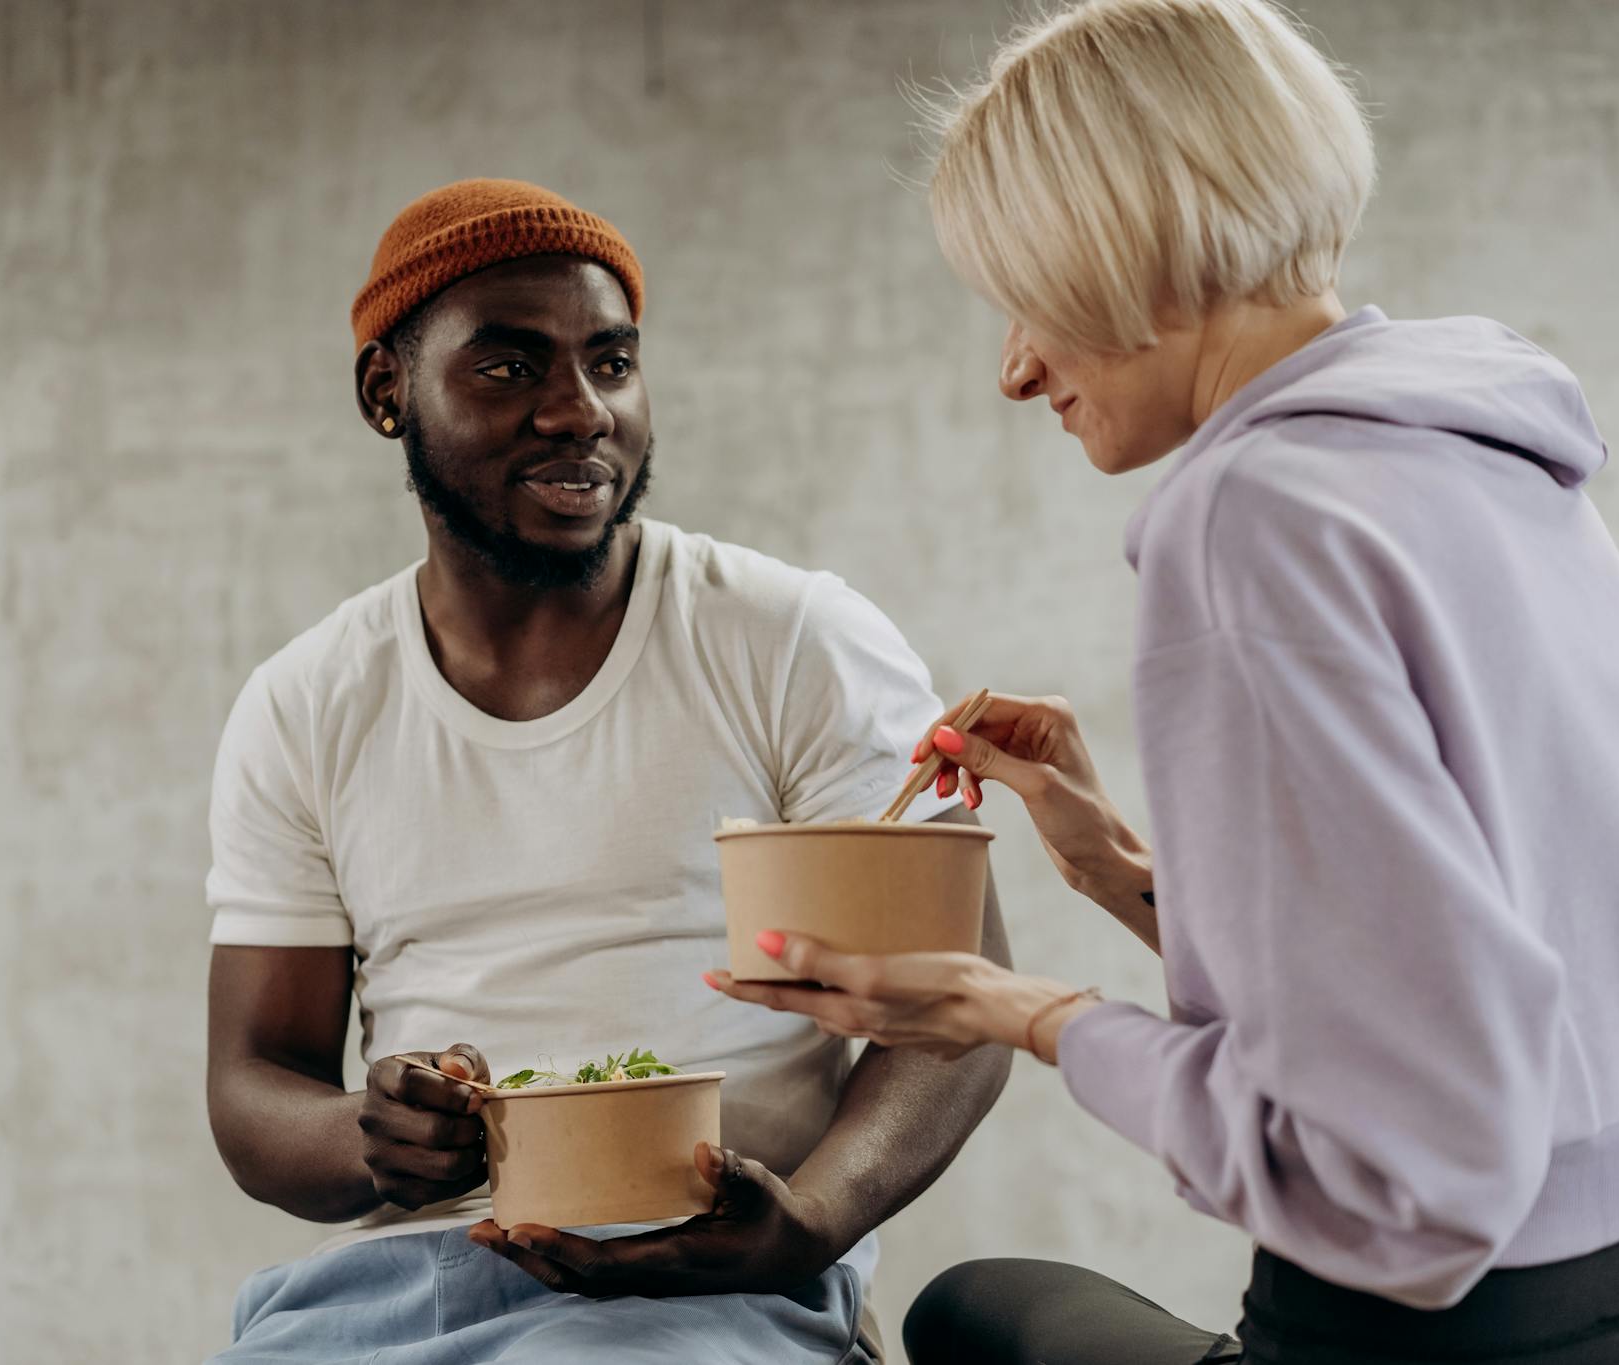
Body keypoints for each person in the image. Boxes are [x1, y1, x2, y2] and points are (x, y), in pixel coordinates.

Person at [709, 3, 1619, 1362]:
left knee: (971, 1313)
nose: (1015, 366)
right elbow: (1453, 975)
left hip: (1465, 1332)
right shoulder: (1478, 439)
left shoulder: (1249, 517)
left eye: (1028, 300)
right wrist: (1113, 868)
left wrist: (1021, 1011)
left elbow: (1398, 1182)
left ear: (1133, 254)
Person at [201, 178, 1011, 1364]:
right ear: (388, 392)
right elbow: (254, 1083)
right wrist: (368, 1138)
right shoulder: (305, 701)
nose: (578, 412)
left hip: (713, 1282)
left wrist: (812, 1223)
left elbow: (961, 1004)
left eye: (611, 362)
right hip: (403, 1281)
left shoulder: (788, 640)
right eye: (508, 367)